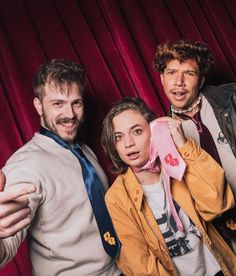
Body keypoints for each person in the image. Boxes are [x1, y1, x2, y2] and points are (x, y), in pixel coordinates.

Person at [0, 59, 120, 275]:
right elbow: (6, 245)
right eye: (58, 104)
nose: (71, 114)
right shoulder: (26, 165)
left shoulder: (83, 150)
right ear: (38, 106)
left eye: (76, 102)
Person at [101, 97, 236, 275]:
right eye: (119, 137)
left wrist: (183, 145)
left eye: (137, 131)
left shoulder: (177, 167)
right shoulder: (116, 198)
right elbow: (139, 264)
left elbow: (217, 205)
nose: (128, 144)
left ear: (154, 131)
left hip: (220, 269)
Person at [153, 39, 236, 252]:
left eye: (189, 73)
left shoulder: (231, 97)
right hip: (225, 233)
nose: (179, 81)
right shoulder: (161, 134)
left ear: (201, 80)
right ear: (162, 78)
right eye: (171, 73)